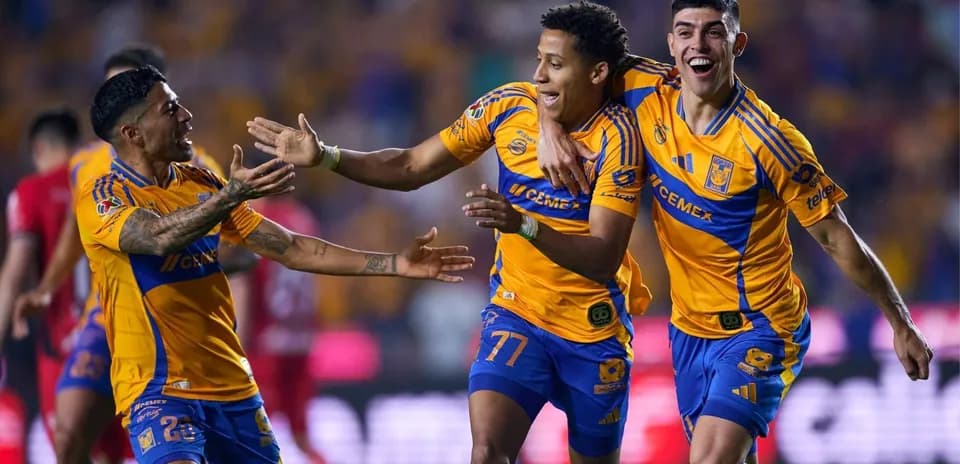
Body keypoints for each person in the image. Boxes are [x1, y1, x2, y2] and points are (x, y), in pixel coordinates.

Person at [247, 3, 650, 463]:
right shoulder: (507, 106)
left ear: (598, 72)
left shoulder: (620, 139)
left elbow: (602, 256)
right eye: (539, 59)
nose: (538, 75)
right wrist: (328, 156)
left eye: (555, 65)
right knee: (486, 451)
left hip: (594, 332)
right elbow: (412, 165)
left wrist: (524, 225)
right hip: (519, 316)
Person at [535, 1, 935, 463]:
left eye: (713, 33)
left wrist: (900, 322)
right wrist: (548, 128)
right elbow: (555, 78)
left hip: (761, 329)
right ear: (671, 44)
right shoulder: (642, 87)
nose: (697, 45)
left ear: (736, 44)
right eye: (685, 32)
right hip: (689, 331)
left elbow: (836, 237)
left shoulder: (769, 141)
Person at [83, 66, 473, 464]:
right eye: (169, 109)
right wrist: (230, 196)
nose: (186, 116)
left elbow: (289, 247)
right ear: (132, 133)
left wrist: (394, 264)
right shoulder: (103, 197)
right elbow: (156, 237)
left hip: (234, 388)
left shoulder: (200, 183)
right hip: (159, 390)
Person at [13, 44, 253, 464]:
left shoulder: (202, 169)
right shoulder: (86, 163)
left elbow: (242, 248)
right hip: (102, 317)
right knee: (68, 433)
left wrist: (211, 254)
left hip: (170, 330)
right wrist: (48, 287)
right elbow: (76, 229)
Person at [0, 108, 80, 458]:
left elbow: (15, 273)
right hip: (116, 342)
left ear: (38, 148)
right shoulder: (103, 184)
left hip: (61, 347)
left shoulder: (32, 192)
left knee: (67, 449)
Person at [245, 193, 327, 464]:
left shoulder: (256, 218)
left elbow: (245, 284)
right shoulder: (303, 217)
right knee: (301, 436)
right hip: (302, 340)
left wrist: (237, 343)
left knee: (249, 433)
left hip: (267, 341)